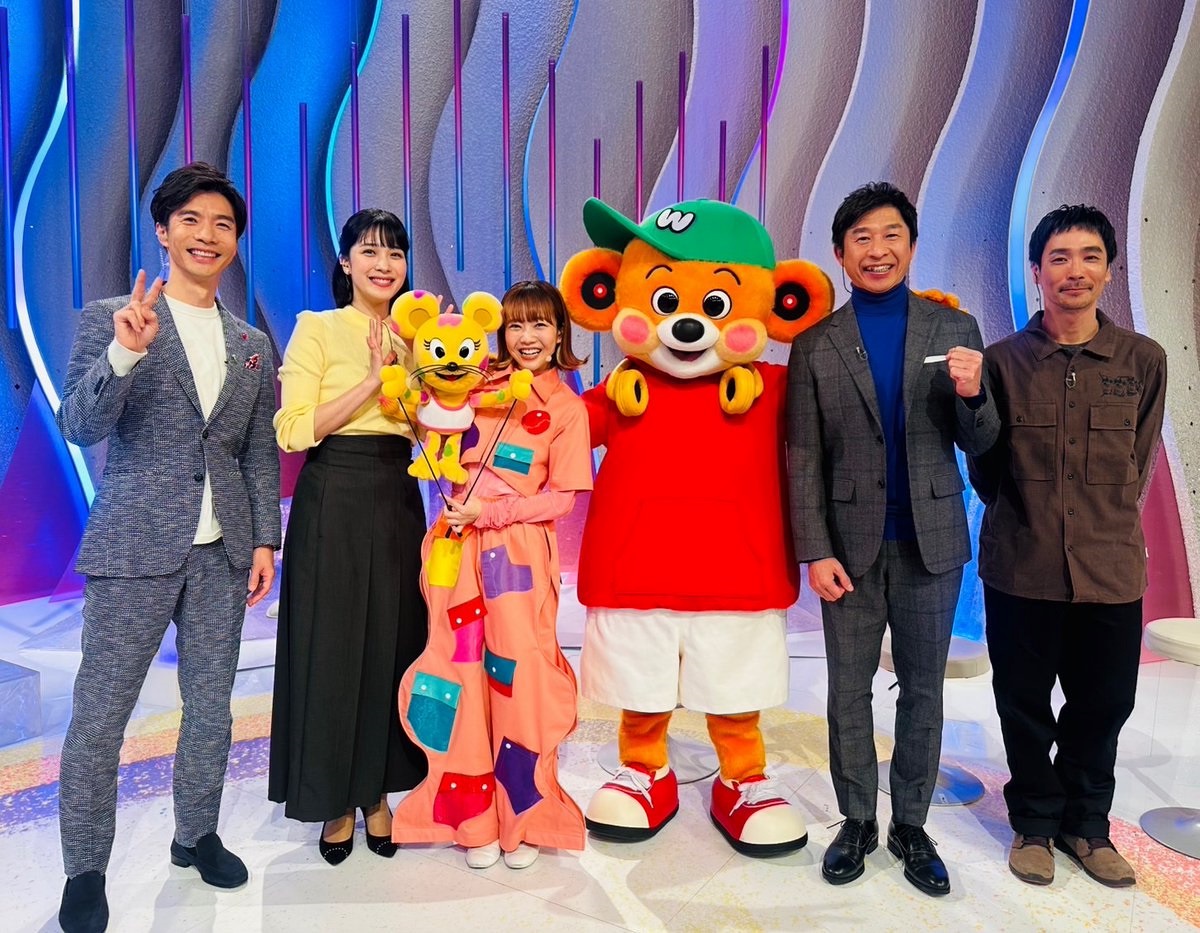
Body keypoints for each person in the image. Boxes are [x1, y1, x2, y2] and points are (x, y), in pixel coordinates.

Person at [54, 162, 280, 933]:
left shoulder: (251, 342)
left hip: (224, 553)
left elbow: (256, 450)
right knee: (100, 715)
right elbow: (79, 424)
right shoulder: (114, 317)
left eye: (223, 224)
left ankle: (196, 833)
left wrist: (266, 538)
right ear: (163, 230)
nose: (207, 235)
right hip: (133, 548)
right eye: (191, 220)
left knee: (211, 708)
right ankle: (85, 870)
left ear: (235, 239)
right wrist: (123, 355)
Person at [786, 181, 999, 896]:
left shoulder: (955, 329)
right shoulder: (816, 344)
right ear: (840, 253)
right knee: (847, 691)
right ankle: (856, 820)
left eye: (890, 236)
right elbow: (804, 455)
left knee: (923, 691)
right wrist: (815, 549)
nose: (877, 250)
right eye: (862, 239)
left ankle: (911, 822)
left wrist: (974, 394)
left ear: (911, 244)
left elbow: (981, 440)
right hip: (847, 552)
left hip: (930, 544)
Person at [968, 204, 1166, 888]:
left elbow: (1138, 463)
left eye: (1089, 256)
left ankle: (1087, 823)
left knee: (1103, 704)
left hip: (1110, 568)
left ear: (1109, 271)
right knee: (1023, 703)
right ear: (1037, 271)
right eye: (1058, 257)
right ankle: (1034, 822)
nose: (1073, 270)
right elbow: (986, 470)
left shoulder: (1143, 360)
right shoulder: (1002, 362)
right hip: (1022, 565)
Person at [392, 280, 591, 870]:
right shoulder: (476, 386)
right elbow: (429, 426)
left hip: (518, 558)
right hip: (455, 550)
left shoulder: (567, 408)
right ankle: (471, 816)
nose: (527, 337)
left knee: (518, 675)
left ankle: (522, 817)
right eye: (516, 325)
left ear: (560, 333)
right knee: (455, 671)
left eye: (540, 324)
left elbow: (564, 498)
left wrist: (492, 512)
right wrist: (424, 346)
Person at [269, 209, 428, 863]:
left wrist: (441, 380)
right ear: (345, 262)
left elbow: (427, 431)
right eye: (370, 251)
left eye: (395, 253)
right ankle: (335, 798)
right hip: (333, 491)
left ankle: (379, 792)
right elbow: (292, 430)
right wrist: (371, 379)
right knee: (331, 646)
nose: (384, 264)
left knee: (396, 641)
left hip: (398, 493)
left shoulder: (420, 334)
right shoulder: (318, 326)